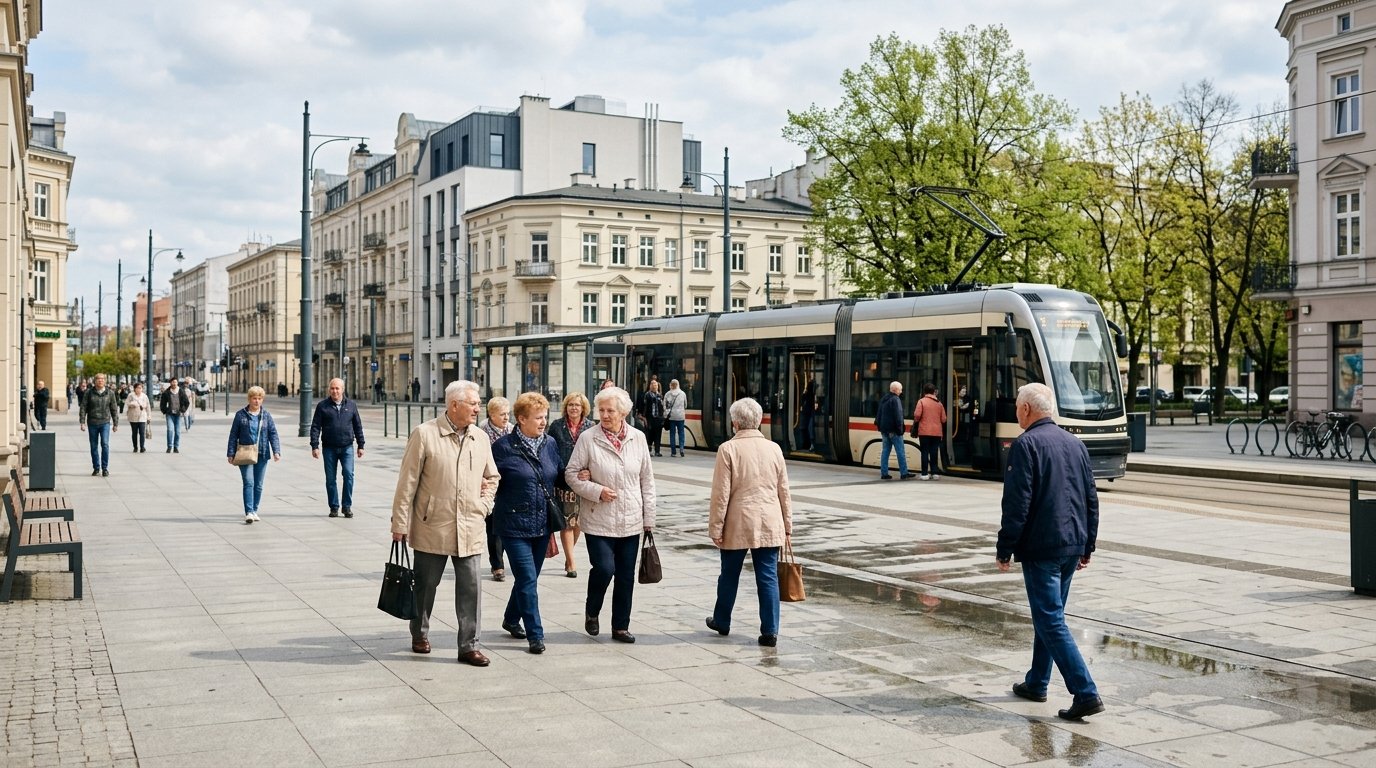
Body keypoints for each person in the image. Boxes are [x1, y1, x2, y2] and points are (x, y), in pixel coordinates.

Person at [997, 382, 1104, 721]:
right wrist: (1088, 544)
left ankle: (1085, 692)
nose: (1016, 413)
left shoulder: (1026, 444)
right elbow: (1090, 498)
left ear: (1027, 409)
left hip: (1043, 545)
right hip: (1072, 543)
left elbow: (1017, 503)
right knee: (1050, 616)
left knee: (1050, 619)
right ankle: (1037, 682)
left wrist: (1005, 547)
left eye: (1017, 407)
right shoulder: (1075, 443)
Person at [390, 380, 500, 666]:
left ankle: (468, 646)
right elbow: (407, 483)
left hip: (471, 525)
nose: (478, 408)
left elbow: (493, 477)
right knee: (426, 586)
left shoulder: (481, 437)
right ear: (454, 405)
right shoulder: (424, 434)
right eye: (473, 403)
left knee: (471, 588)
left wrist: (484, 505)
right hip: (432, 524)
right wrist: (400, 523)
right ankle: (420, 632)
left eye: (478, 403)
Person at [565, 386, 656, 644]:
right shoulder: (588, 438)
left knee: (626, 576)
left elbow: (647, 481)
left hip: (631, 520)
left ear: (623, 412)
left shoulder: (638, 438)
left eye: (610, 410)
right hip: (598, 519)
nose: (604, 415)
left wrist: (649, 519)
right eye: (601, 410)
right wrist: (596, 490)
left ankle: (620, 627)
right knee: (604, 568)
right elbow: (571, 474)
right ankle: (592, 610)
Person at [705, 398, 793, 647]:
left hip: (737, 521)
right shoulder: (774, 449)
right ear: (759, 421)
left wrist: (716, 527)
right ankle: (770, 631)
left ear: (735, 423)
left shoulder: (728, 449)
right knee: (767, 576)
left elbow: (721, 494)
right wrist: (787, 525)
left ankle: (722, 620)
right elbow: (783, 490)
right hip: (769, 520)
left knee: (729, 574)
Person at [491, 392, 561, 654]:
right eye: (538, 418)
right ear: (521, 420)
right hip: (512, 523)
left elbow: (558, 474)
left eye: (545, 417)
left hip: (542, 523)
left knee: (526, 579)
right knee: (528, 578)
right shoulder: (503, 447)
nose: (543, 422)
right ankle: (536, 634)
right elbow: (488, 479)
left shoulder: (550, 444)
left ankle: (511, 618)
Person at [548, 392, 591, 578]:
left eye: (577, 405)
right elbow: (551, 451)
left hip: (583, 481)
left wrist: (588, 471)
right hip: (563, 480)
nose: (574, 408)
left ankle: (569, 554)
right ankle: (571, 562)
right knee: (567, 521)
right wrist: (561, 470)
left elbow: (594, 454)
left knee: (578, 522)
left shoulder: (591, 427)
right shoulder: (557, 426)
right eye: (571, 404)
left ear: (583, 408)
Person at [225, 386, 282, 524]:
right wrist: (231, 453)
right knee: (249, 482)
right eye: (254, 398)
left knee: (259, 484)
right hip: (245, 453)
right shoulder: (241, 415)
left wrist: (276, 450)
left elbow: (273, 434)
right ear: (249, 399)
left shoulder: (266, 415)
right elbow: (233, 435)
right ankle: (249, 511)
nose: (257, 401)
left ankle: (254, 510)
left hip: (262, 453)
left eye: (259, 398)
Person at [310, 378, 366, 519]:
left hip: (347, 447)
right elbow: (315, 427)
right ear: (329, 390)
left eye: (337, 388)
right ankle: (334, 507)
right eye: (332, 388)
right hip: (329, 448)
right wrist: (314, 446)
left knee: (348, 475)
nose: (335, 391)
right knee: (330, 479)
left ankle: (346, 506)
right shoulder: (323, 406)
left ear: (343, 389)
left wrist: (361, 444)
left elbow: (357, 425)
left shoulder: (351, 405)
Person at [479, 396, 513, 581]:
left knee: (507, 524)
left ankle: (503, 558)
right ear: (491, 415)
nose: (506, 417)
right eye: (502, 414)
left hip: (508, 483)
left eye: (508, 414)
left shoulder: (512, 430)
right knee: (492, 525)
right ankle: (497, 565)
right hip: (490, 483)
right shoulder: (481, 431)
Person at [79, 373, 119, 477]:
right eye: (98, 379)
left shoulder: (110, 393)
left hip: (105, 422)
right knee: (93, 446)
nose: (100, 381)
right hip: (92, 422)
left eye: (102, 379)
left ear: (105, 381)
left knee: (105, 444)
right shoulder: (89, 393)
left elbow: (114, 408)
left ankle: (105, 468)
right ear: (95, 381)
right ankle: (96, 468)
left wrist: (115, 423)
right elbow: (83, 407)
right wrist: (82, 422)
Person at [875, 381, 913, 480]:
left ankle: (884, 473)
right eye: (900, 389)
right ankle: (904, 473)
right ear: (895, 390)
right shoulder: (896, 399)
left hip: (884, 430)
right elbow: (899, 416)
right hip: (894, 430)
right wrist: (900, 430)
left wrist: (880, 427)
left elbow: (878, 414)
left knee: (885, 451)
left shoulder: (884, 398)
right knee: (900, 451)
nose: (901, 391)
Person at [912, 383, 947, 480]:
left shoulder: (921, 402)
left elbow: (917, 416)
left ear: (924, 392)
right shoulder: (939, 404)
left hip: (924, 432)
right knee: (934, 452)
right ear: (934, 392)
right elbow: (944, 419)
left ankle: (924, 474)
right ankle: (935, 473)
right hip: (936, 432)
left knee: (924, 452)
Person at [159, 378, 190, 453]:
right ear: (170, 383)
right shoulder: (167, 392)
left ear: (177, 383)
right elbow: (162, 403)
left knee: (178, 431)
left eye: (175, 382)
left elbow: (187, 402)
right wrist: (165, 410)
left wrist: (182, 410)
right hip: (170, 414)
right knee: (170, 430)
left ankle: (176, 447)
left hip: (178, 414)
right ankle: (169, 446)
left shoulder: (181, 391)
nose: (174, 383)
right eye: (173, 382)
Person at [640, 379, 666, 457]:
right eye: (653, 385)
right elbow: (644, 406)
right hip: (649, 418)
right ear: (650, 386)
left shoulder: (660, 395)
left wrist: (662, 418)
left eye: (656, 385)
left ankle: (657, 451)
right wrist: (643, 417)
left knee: (658, 435)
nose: (655, 387)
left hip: (658, 418)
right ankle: (649, 450)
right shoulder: (647, 395)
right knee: (649, 434)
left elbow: (662, 407)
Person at [125, 382, 151, 453]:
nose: (139, 389)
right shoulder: (131, 395)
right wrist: (131, 404)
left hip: (142, 416)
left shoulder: (144, 396)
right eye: (137, 388)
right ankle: (135, 447)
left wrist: (149, 416)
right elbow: (127, 403)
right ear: (134, 389)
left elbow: (148, 406)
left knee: (142, 433)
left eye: (140, 388)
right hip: (133, 417)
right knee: (134, 433)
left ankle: (142, 447)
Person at [663, 379, 687, 457]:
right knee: (681, 433)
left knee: (672, 434)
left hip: (671, 417)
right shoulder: (682, 394)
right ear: (678, 385)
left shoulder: (667, 394)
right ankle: (681, 449)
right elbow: (685, 405)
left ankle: (673, 452)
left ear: (671, 385)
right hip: (680, 416)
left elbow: (665, 406)